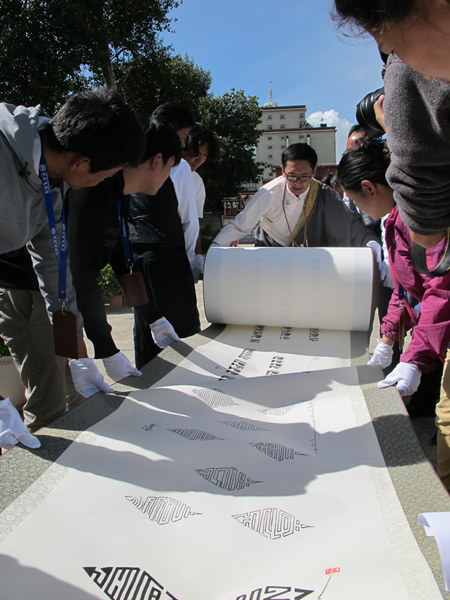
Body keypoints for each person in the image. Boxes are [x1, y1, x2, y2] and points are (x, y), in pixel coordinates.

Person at [0, 86, 144, 433]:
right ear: (81, 163)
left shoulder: (53, 180)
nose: (100, 183)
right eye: (103, 176)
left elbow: (53, 265)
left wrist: (78, 352)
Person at [337, 141, 450, 486]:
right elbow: (406, 285)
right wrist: (387, 337)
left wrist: (415, 356)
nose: (360, 209)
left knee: (447, 418)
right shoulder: (396, 217)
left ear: (370, 187)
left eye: (357, 200)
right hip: (438, 324)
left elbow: (440, 287)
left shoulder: (418, 215)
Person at [66, 116, 182, 382]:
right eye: (171, 166)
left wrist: (153, 317)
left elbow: (120, 255)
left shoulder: (117, 192)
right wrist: (107, 349)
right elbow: (81, 272)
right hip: (36, 294)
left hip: (63, 298)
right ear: (157, 161)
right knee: (54, 398)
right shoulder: (94, 188)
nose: (168, 177)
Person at [333, 1, 450, 249]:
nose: (424, 75)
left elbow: (425, 230)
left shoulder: (408, 77)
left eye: (395, 47)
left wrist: (398, 128)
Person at [127, 103, 201, 369]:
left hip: (136, 258)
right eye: (182, 138)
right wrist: (192, 262)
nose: (182, 147)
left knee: (148, 330)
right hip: (168, 257)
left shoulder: (132, 157)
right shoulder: (176, 166)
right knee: (180, 335)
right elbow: (188, 220)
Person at [212, 143, 380, 252]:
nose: (298, 183)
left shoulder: (323, 193)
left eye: (305, 176)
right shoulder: (269, 192)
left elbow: (350, 226)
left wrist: (371, 245)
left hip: (308, 258)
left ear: (314, 172)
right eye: (291, 176)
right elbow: (240, 225)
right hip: (272, 254)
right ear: (282, 171)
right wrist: (216, 247)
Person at [183, 123, 220, 271]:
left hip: (187, 256)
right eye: (195, 153)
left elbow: (194, 224)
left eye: (204, 155)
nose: (199, 160)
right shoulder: (166, 175)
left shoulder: (197, 181)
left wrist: (197, 256)